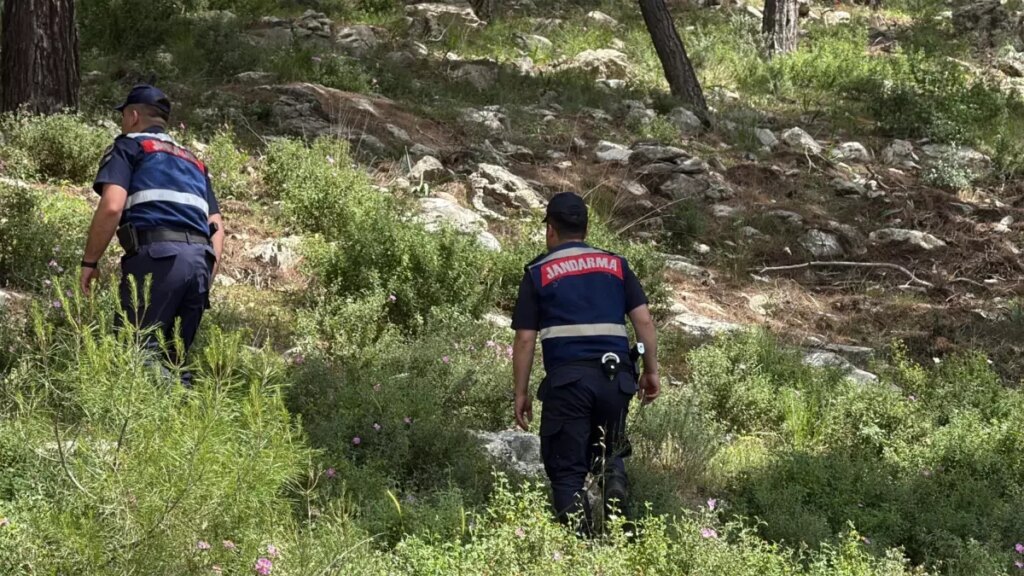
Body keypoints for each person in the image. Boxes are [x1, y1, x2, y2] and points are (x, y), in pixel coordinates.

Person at [511, 192, 660, 533]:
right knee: (609, 452)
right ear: (586, 228)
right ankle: (615, 487)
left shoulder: (538, 272)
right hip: (617, 378)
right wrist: (650, 371)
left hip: (568, 384)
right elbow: (645, 323)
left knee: (566, 471)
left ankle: (579, 546)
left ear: (551, 229)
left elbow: (524, 339)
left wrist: (520, 392)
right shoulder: (616, 265)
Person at [79, 84, 225, 386]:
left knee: (137, 352)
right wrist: (206, 273)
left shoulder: (129, 147)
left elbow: (111, 207)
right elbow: (217, 227)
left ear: (133, 116)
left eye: (123, 116)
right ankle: (183, 424)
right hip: (200, 263)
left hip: (157, 258)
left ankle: (137, 431)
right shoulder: (194, 163)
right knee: (175, 360)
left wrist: (90, 262)